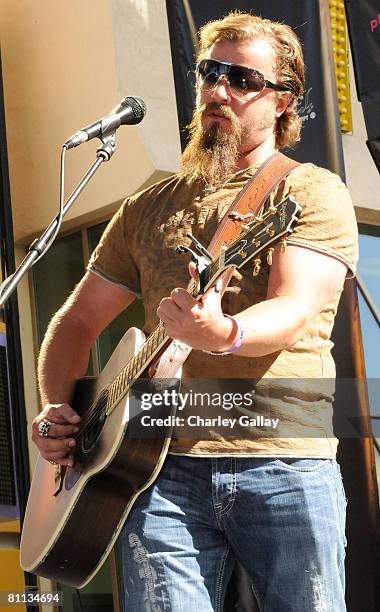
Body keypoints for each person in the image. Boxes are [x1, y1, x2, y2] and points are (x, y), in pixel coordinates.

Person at [32, 12, 358, 612]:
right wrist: (57, 406)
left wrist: (224, 333)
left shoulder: (309, 191)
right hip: (155, 473)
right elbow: (76, 321)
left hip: (283, 459)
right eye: (210, 72)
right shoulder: (146, 206)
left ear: (283, 100)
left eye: (240, 78)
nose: (217, 90)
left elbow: (292, 308)